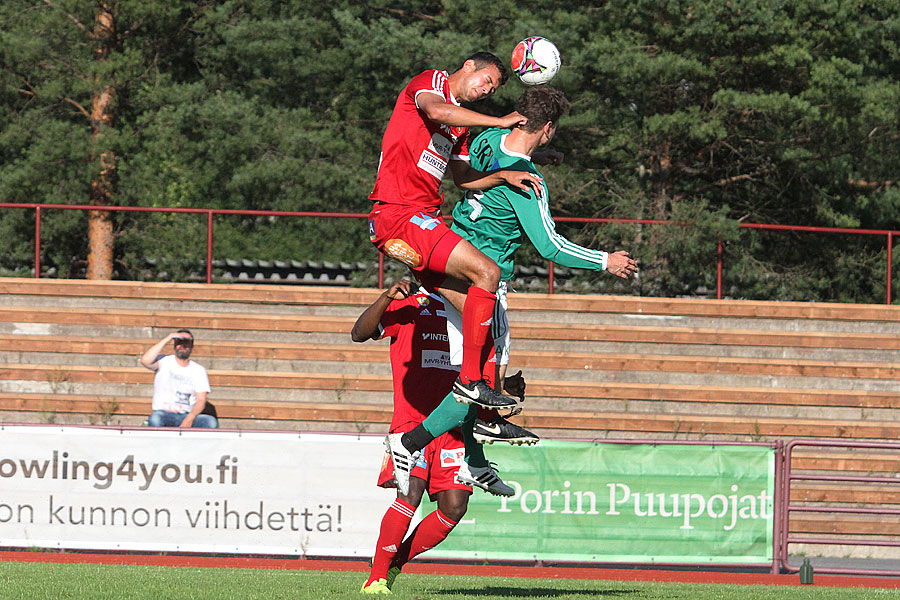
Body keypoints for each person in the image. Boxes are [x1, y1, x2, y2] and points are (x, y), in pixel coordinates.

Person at [391, 85, 639, 480]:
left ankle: (472, 457)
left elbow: (474, 164)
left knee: (481, 379)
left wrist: (535, 154)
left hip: (448, 256)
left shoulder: (487, 138)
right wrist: (605, 261)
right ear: (550, 128)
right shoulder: (529, 182)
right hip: (486, 283)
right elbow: (551, 247)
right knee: (488, 381)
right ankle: (414, 444)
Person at [369, 52, 545, 494]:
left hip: (417, 221)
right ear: (467, 66)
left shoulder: (461, 126)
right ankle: (471, 386)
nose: (486, 90)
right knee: (488, 272)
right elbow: (436, 109)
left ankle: (452, 444)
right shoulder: (430, 84)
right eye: (485, 81)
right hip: (401, 215)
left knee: (480, 318)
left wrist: (503, 176)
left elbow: (462, 178)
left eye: (492, 88)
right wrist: (502, 120)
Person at [353, 280, 495, 594]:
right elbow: (359, 333)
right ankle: (375, 579)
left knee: (455, 507)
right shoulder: (410, 301)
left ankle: (393, 561)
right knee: (409, 495)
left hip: (454, 424)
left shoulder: (466, 305)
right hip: (411, 420)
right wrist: (385, 296)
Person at [139, 329, 217, 428]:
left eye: (186, 343)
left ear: (192, 346)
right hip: (164, 414)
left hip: (187, 414)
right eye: (179, 342)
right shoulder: (164, 361)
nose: (182, 346)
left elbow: (201, 400)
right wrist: (168, 338)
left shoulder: (199, 370)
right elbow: (145, 360)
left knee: (210, 422)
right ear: (174, 344)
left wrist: (189, 419)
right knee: (155, 418)